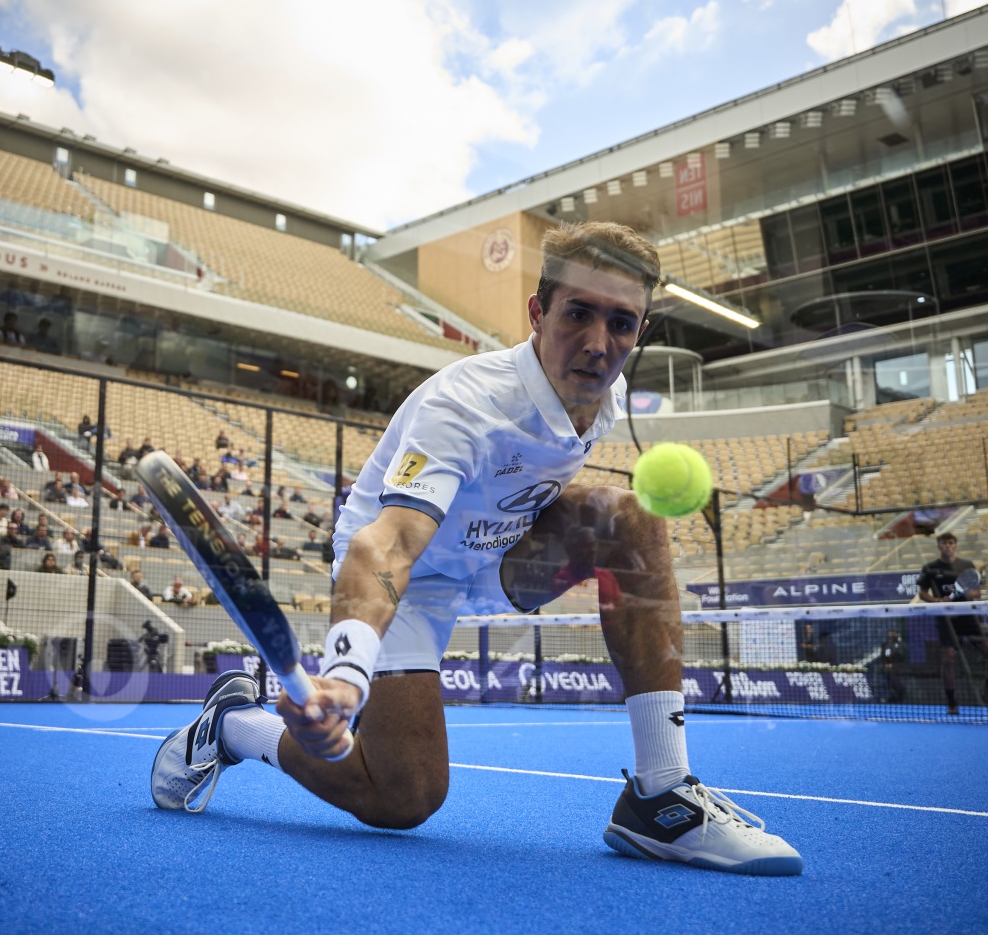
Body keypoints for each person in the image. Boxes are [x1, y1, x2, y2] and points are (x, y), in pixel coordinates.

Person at [151, 220, 802, 875]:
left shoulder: (605, 392)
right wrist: (346, 679)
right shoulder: (465, 407)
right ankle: (235, 726)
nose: (600, 344)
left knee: (625, 518)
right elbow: (391, 542)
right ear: (537, 313)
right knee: (405, 798)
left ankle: (662, 795)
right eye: (578, 314)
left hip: (496, 551)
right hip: (410, 575)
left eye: (622, 324)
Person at [917, 532, 988, 714]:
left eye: (950, 543)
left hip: (968, 617)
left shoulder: (966, 565)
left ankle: (985, 691)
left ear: (955, 545)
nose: (947, 546)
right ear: (938, 545)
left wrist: (962, 595)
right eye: (944, 543)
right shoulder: (930, 568)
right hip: (946, 619)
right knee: (948, 659)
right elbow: (922, 593)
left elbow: (977, 593)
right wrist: (937, 602)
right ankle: (952, 703)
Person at [874, 629, 908, 704]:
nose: (892, 634)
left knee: (898, 685)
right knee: (888, 683)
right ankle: (887, 698)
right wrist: (886, 664)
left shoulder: (901, 645)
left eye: (893, 632)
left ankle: (900, 699)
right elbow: (883, 656)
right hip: (887, 670)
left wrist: (894, 665)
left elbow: (902, 657)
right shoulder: (885, 645)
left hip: (899, 670)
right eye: (890, 632)